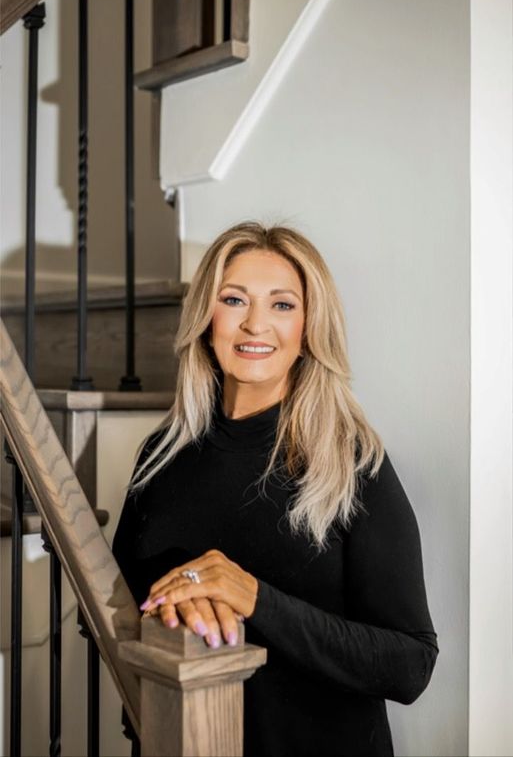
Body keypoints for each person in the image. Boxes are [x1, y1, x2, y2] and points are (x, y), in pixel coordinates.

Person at [112, 221, 438, 757]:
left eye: (282, 305)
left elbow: (411, 665)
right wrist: (171, 613)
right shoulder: (161, 456)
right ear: (206, 318)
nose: (255, 324)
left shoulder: (351, 463)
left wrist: (253, 597)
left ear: (309, 327)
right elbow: (120, 607)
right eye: (234, 299)